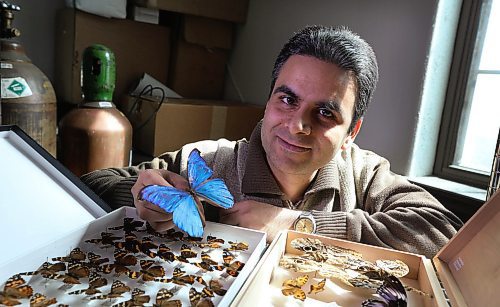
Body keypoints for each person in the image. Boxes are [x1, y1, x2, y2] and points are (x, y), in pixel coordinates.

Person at [81, 25, 463, 258]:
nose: (298, 125)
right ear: (267, 102)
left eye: (326, 113)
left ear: (352, 132)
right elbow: (91, 185)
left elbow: (440, 231)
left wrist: (301, 225)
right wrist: (138, 194)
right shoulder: (209, 160)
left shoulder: (365, 174)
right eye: (287, 99)